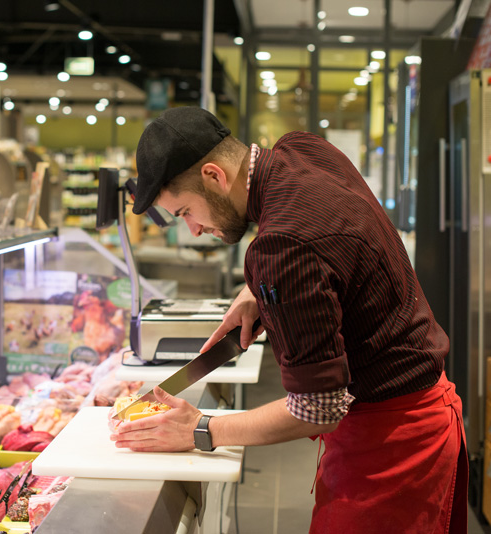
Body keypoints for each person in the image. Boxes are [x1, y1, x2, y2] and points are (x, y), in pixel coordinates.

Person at [111, 106, 468, 533]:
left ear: (214, 176)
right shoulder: (301, 149)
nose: (193, 229)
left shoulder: (282, 247)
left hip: (394, 448)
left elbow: (318, 409)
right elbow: (335, 243)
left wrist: (200, 428)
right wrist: (257, 293)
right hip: (422, 412)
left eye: (185, 211)